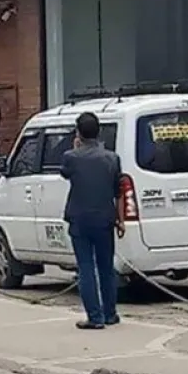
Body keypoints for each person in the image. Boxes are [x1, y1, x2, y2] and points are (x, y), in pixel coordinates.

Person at [60, 111, 125, 330]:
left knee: (86, 267)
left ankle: (94, 317)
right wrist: (121, 219)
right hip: (105, 217)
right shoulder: (112, 158)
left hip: (79, 218)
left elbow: (65, 173)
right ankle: (110, 313)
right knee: (106, 267)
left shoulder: (72, 156)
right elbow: (119, 191)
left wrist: (76, 146)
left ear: (79, 132)